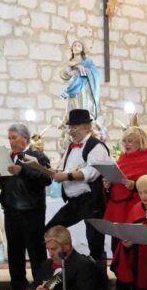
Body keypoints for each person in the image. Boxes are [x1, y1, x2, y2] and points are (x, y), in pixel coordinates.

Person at [103, 126, 147, 290]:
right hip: (118, 210)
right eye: (125, 141)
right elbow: (116, 181)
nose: (126, 144)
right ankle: (122, 286)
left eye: (130, 141)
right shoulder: (122, 158)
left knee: (141, 251)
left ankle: (146, 285)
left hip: (138, 211)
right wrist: (108, 185)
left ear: (140, 142)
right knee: (119, 249)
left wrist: (135, 184)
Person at [0, 123, 51, 290]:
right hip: (11, 211)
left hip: (31, 212)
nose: (11, 142)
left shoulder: (37, 156)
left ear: (25, 138)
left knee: (36, 253)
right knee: (14, 252)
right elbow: (7, 184)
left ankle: (39, 289)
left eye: (14, 138)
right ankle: (17, 288)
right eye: (9, 138)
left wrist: (23, 170)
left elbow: (47, 178)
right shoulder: (8, 158)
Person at [46, 109, 111, 261]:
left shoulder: (96, 146)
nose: (71, 131)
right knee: (51, 229)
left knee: (95, 243)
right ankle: (68, 264)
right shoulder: (71, 147)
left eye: (75, 127)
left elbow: (91, 173)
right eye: (70, 128)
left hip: (91, 201)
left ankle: (98, 281)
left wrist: (66, 176)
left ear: (87, 127)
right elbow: (64, 169)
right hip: (74, 202)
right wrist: (49, 171)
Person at [59, 40, 102, 119]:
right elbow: (63, 75)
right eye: (74, 46)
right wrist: (73, 67)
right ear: (72, 49)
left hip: (84, 88)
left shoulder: (88, 62)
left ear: (82, 49)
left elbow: (96, 75)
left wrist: (84, 70)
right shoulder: (70, 63)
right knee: (73, 107)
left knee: (83, 106)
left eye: (79, 46)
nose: (76, 47)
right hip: (73, 88)